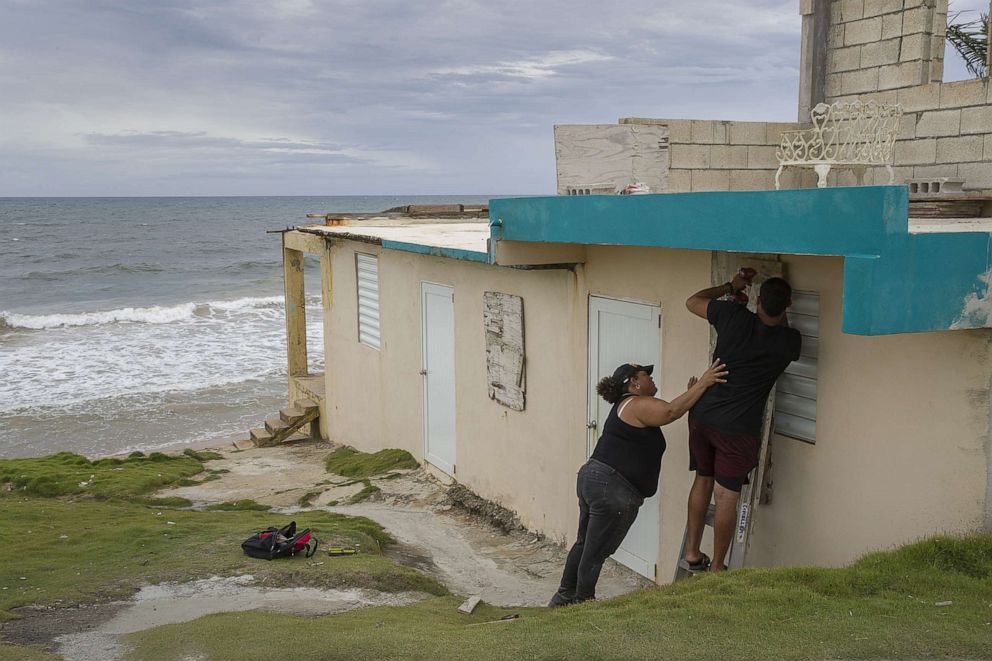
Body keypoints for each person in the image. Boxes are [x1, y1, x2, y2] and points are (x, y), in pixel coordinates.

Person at [548, 358, 728, 607]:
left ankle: (563, 598)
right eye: (646, 375)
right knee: (595, 550)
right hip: (611, 487)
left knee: (585, 543)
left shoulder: (628, 406)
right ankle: (582, 603)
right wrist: (705, 383)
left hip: (596, 479)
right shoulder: (636, 404)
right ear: (633, 383)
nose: (651, 378)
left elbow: (670, 409)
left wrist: (692, 394)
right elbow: (670, 411)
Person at [682, 273, 802, 572]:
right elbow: (780, 330)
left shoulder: (732, 316)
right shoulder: (788, 342)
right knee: (725, 497)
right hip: (737, 431)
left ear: (758, 300)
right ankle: (718, 567)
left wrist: (731, 287)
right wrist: (779, 311)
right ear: (788, 305)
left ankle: (692, 552)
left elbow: (692, 301)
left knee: (702, 480)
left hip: (702, 415)